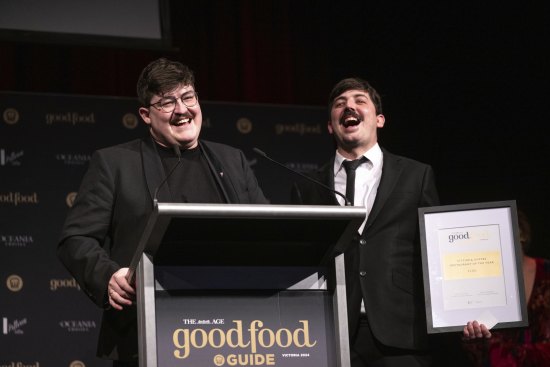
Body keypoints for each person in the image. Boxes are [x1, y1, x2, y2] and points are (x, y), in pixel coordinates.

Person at [57, 58, 268, 366]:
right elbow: (75, 239)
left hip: (235, 334)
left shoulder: (232, 160)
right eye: (167, 102)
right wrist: (108, 275)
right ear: (145, 114)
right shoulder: (115, 164)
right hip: (148, 333)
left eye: (188, 97)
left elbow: (266, 231)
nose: (182, 110)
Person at [291, 77, 490, 366]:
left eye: (360, 101)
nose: (350, 106)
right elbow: (302, 262)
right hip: (332, 333)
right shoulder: (307, 186)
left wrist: (463, 311)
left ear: (379, 119)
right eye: (340, 104)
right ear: (330, 125)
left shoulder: (415, 175)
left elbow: (436, 253)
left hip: (402, 334)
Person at [462, 210, 550, 366]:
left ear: (521, 234)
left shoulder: (546, 273)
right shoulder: (479, 287)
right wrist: (475, 337)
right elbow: (478, 352)